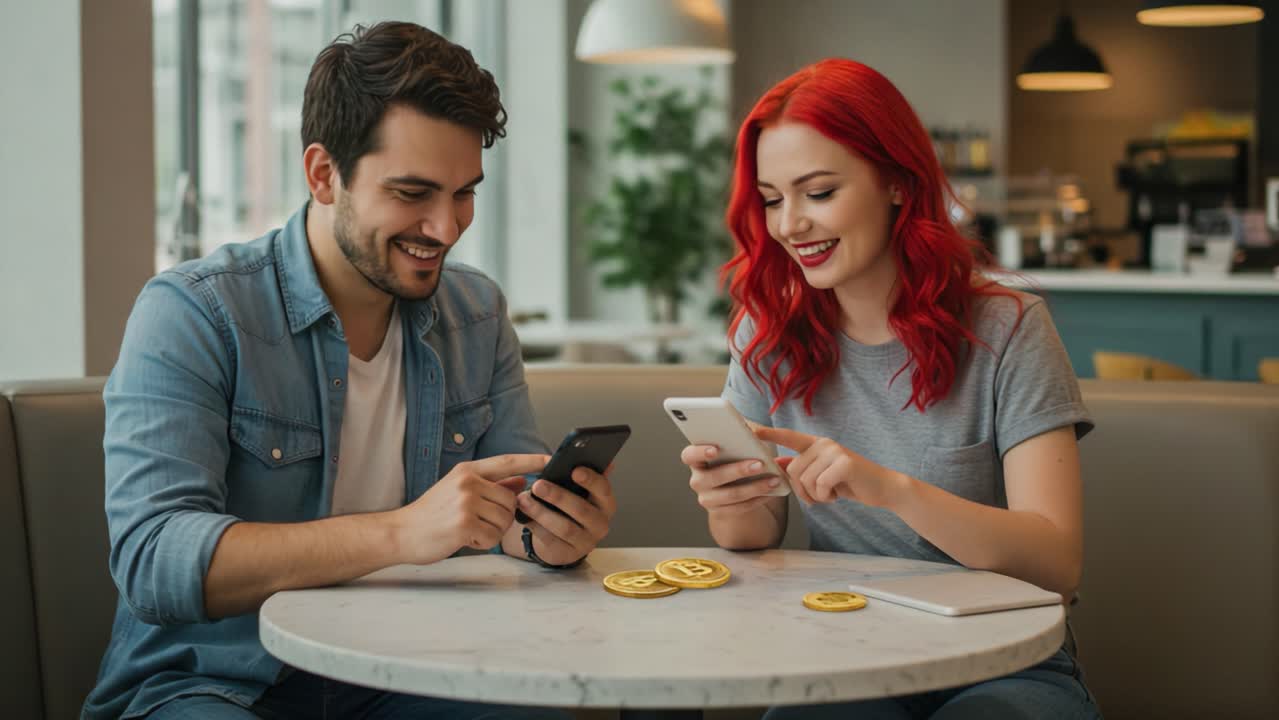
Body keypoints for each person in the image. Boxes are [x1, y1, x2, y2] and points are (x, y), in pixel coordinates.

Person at [85, 22, 614, 720]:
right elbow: (155, 559)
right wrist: (402, 532)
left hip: (414, 673)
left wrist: (547, 534)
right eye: (413, 193)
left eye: (463, 193)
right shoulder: (193, 313)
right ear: (323, 174)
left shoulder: (477, 314)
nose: (447, 228)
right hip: (216, 683)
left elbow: (503, 511)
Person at [680, 58, 1102, 719]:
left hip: (1003, 661)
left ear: (898, 183)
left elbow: (1057, 563)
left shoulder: (1008, 328)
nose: (789, 225)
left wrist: (891, 491)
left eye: (818, 193)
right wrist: (731, 498)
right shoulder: (767, 332)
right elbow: (752, 535)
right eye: (771, 200)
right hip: (846, 656)